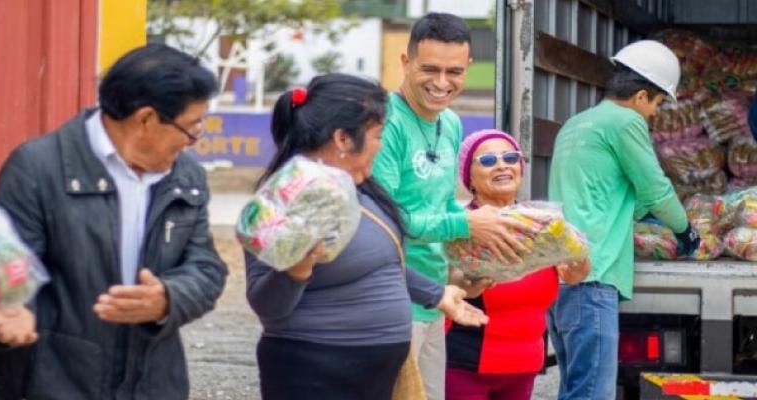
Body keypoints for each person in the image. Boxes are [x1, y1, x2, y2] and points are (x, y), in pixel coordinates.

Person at [0, 44, 228, 400]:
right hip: (55, 381)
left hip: (152, 382)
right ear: (146, 119)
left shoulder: (186, 176)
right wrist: (9, 310)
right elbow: (4, 267)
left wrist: (168, 298)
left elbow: (206, 268)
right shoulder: (39, 167)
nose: (192, 143)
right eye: (191, 129)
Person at [245, 73, 488, 400]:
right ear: (343, 139)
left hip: (376, 373)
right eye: (376, 135)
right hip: (315, 371)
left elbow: (383, 264)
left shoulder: (360, 190)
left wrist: (437, 295)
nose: (380, 144)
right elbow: (267, 304)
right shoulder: (286, 199)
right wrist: (297, 269)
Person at [371, 12, 529, 400]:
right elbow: (384, 222)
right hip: (391, 301)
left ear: (468, 68)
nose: (442, 83)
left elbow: (441, 207)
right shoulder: (385, 125)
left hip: (434, 300)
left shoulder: (452, 124)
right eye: (430, 69)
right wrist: (469, 224)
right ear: (405, 62)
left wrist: (466, 268)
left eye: (454, 72)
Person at [547, 40, 700, 399]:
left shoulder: (578, 123)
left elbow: (608, 193)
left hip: (561, 278)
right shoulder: (625, 121)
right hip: (592, 275)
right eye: (658, 104)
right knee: (592, 394)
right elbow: (656, 188)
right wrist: (684, 229)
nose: (653, 115)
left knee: (575, 388)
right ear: (642, 96)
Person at [444, 129, 590, 400]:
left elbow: (572, 276)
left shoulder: (539, 222)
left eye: (510, 158)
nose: (502, 165)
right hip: (466, 364)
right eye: (488, 161)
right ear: (470, 178)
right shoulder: (463, 224)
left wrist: (579, 260)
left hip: (524, 364)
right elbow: (453, 285)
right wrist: (472, 281)